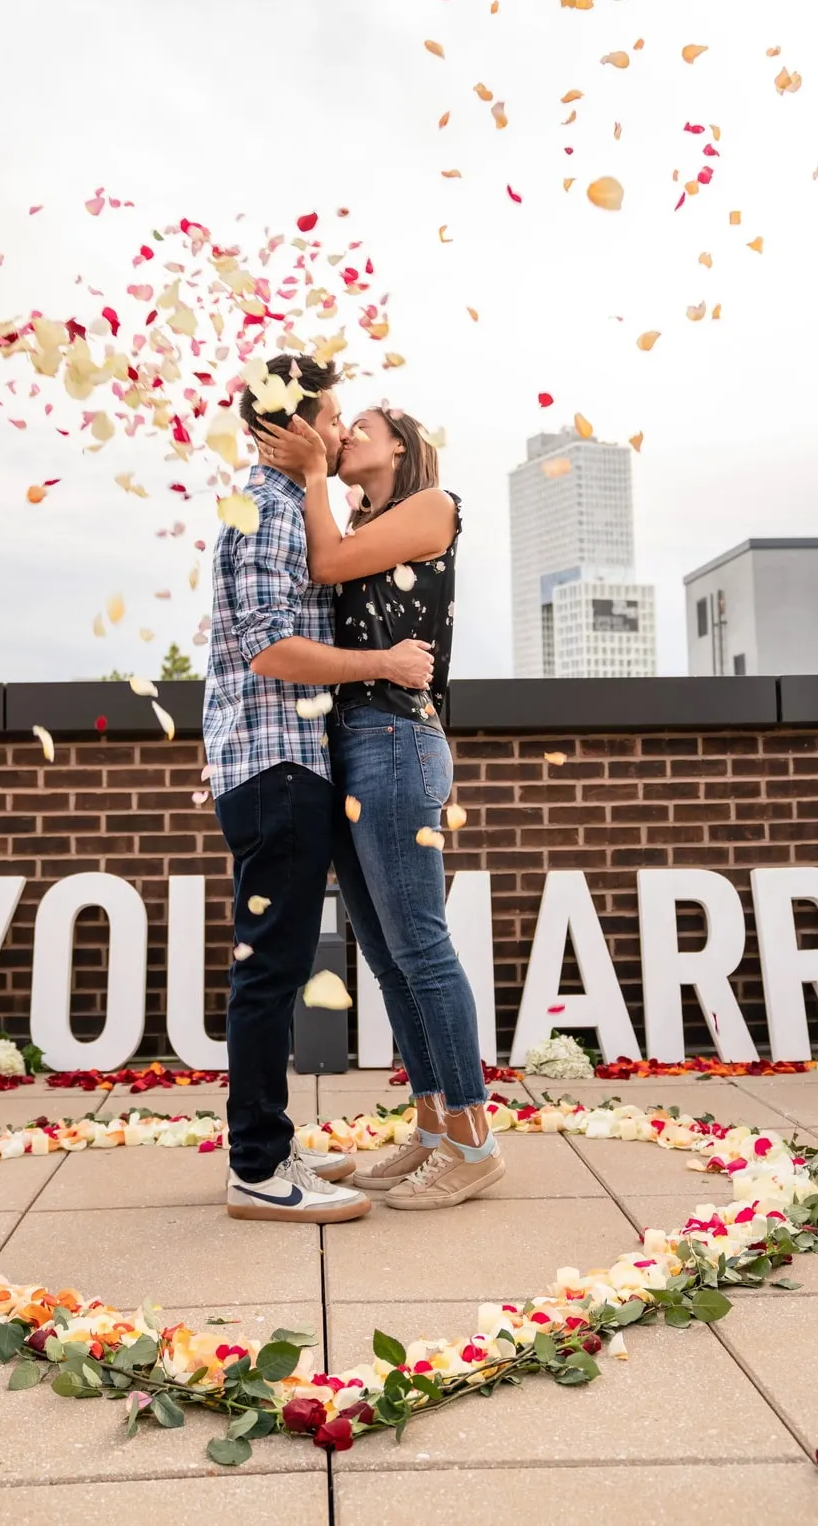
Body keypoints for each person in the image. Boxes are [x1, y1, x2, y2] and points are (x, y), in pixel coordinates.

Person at [203, 354, 436, 1224]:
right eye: (332, 417)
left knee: (278, 964)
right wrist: (381, 662)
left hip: (278, 763)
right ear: (290, 426)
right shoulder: (265, 512)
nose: (340, 432)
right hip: (278, 765)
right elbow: (269, 646)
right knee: (271, 972)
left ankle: (269, 1142)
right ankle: (259, 1168)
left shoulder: (271, 504)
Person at [255, 403, 504, 1210]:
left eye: (361, 424)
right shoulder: (365, 522)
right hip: (356, 742)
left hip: (397, 737)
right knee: (389, 954)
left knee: (421, 946)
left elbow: (326, 566)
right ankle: (433, 1126)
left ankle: (472, 1140)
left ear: (400, 443)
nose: (347, 434)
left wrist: (316, 473)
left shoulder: (434, 506)